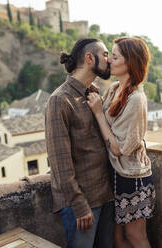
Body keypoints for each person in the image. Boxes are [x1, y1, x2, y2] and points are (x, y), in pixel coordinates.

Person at [45, 38, 114, 248]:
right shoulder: (59, 100)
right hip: (82, 205)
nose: (109, 59)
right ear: (89, 58)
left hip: (105, 195)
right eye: (104, 54)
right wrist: (79, 205)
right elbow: (60, 162)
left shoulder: (94, 93)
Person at [87, 37, 155, 248]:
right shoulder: (115, 89)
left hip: (132, 177)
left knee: (136, 237)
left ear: (130, 63)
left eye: (114, 57)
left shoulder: (136, 98)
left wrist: (98, 113)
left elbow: (119, 149)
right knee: (118, 239)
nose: (109, 61)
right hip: (117, 175)